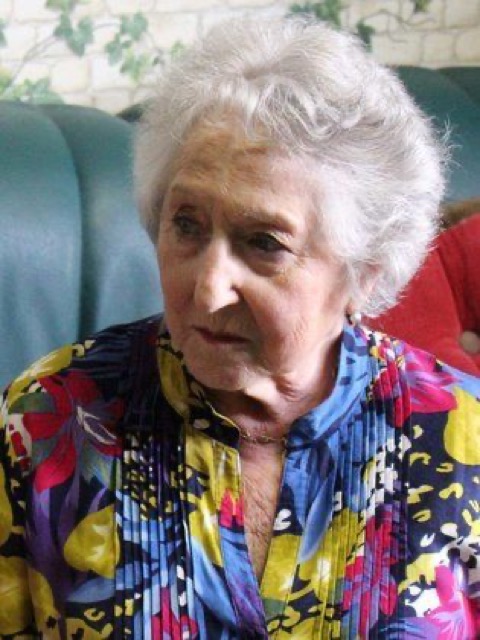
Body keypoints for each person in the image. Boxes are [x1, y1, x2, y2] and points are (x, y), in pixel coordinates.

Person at [0, 15, 479, 640]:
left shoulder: (459, 441)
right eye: (187, 225)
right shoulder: (49, 419)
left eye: (263, 242)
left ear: (363, 272)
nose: (207, 289)